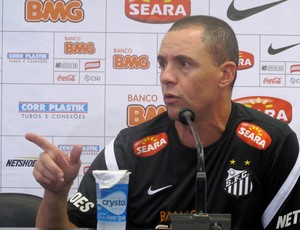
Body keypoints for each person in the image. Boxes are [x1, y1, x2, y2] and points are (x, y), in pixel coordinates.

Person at [26, 15, 300, 230]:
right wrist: (56, 193)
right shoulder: (128, 149)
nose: (166, 77)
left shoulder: (273, 143)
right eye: (162, 63)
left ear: (225, 74)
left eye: (183, 64)